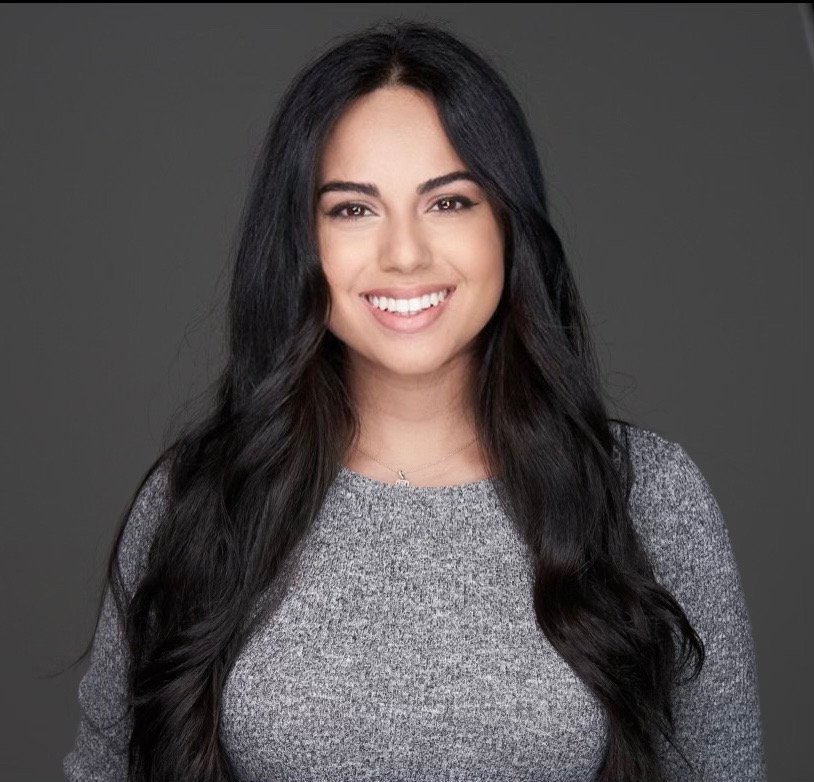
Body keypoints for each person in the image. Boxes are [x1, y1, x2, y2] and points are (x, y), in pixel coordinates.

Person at [62, 19, 767, 782]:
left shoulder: (648, 497)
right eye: (352, 209)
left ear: (508, 224)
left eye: (450, 202)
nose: (404, 254)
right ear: (302, 240)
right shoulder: (200, 499)